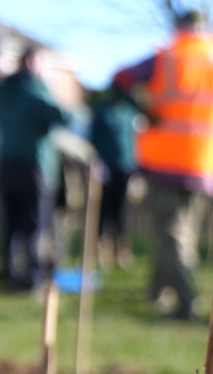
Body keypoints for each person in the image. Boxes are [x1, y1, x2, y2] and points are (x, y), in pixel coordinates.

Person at [114, 10, 213, 319]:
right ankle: (157, 291)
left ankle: (186, 301)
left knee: (169, 234)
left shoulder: (168, 54)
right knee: (183, 234)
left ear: (180, 27)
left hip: (166, 160)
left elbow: (120, 79)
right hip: (208, 162)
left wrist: (143, 109)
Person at [0, 48, 68, 290]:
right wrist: (50, 87)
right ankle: (34, 278)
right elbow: (64, 116)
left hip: (6, 164)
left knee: (11, 223)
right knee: (36, 224)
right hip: (33, 166)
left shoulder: (1, 92)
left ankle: (11, 275)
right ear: (31, 62)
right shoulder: (34, 91)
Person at [88, 86, 142, 270]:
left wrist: (136, 172)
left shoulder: (129, 113)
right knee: (103, 210)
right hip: (105, 169)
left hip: (125, 169)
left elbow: (135, 143)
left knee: (122, 212)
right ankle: (101, 251)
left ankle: (121, 251)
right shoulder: (101, 113)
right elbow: (93, 140)